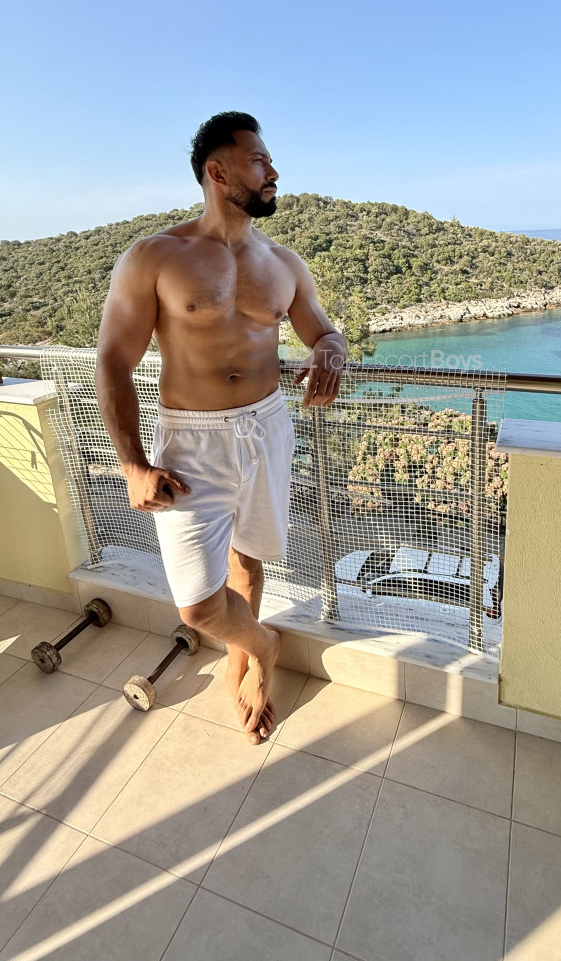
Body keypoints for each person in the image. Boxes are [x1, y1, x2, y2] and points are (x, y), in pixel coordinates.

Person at [96, 112, 346, 744]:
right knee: (198, 605)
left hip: (266, 425)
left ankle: (244, 664)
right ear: (218, 171)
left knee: (249, 558)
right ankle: (262, 645)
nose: (274, 171)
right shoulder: (155, 257)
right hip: (191, 439)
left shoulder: (283, 262)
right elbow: (113, 362)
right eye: (259, 160)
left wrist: (330, 351)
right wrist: (132, 463)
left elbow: (322, 329)